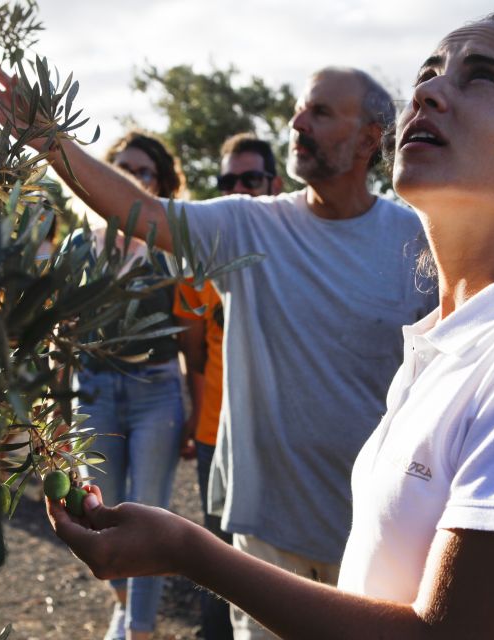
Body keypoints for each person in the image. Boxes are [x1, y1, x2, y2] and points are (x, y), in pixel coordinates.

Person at [45, 8, 494, 639]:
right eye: (428, 73)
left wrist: (189, 551)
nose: (426, 92)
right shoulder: (452, 340)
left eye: (480, 79)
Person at [0, 60, 437, 638]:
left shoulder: (416, 243)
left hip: (374, 534)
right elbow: (141, 213)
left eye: (320, 112)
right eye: (300, 107)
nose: (297, 121)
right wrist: (50, 140)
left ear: (372, 137)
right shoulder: (251, 226)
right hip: (265, 537)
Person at [67, 131, 188, 640]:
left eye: (143, 173)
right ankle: (123, 602)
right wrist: (55, 413)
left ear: (159, 186)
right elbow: (63, 333)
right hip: (91, 391)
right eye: (120, 169)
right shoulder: (78, 246)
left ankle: (137, 630)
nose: (130, 180)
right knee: (101, 510)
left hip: (155, 393)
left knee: (151, 513)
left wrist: (195, 412)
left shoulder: (169, 250)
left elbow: (193, 337)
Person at [174, 133, 283, 640]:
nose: (239, 189)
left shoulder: (297, 248)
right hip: (217, 430)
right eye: (228, 181)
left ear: (275, 183)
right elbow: (193, 349)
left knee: (281, 565)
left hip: (286, 434)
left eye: (251, 179)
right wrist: (198, 423)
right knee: (217, 559)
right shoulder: (204, 257)